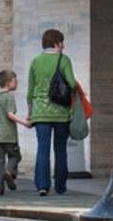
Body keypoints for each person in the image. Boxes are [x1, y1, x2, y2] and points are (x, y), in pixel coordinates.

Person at [27, 28, 76, 196]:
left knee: (43, 149)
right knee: (60, 149)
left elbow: (30, 90)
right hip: (61, 112)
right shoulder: (64, 60)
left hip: (40, 112)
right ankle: (60, 186)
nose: (63, 45)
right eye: (61, 42)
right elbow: (71, 83)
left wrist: (30, 112)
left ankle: (42, 185)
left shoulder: (35, 61)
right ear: (56, 43)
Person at [0, 69, 31, 195]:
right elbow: (10, 115)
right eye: (15, 81)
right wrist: (24, 122)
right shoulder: (9, 97)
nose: (16, 83)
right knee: (15, 156)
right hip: (9, 135)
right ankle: (9, 173)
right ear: (8, 83)